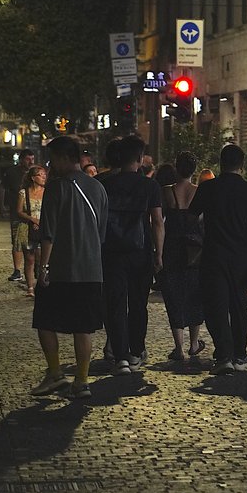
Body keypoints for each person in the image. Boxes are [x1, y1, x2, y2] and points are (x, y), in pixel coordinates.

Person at [32, 136, 108, 399]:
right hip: (91, 269)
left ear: (65, 158)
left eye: (53, 159)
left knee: (44, 320)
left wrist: (44, 268)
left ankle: (54, 373)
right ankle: (82, 382)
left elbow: (48, 232)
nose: (51, 165)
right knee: (83, 327)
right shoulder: (98, 188)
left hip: (62, 269)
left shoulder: (57, 187)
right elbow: (101, 232)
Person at [189, 144, 247, 375]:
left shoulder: (208, 189)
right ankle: (240, 353)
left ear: (221, 164)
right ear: (242, 165)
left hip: (213, 254)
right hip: (240, 256)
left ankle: (223, 355)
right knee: (238, 306)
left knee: (216, 305)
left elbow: (192, 218)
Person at [100, 136, 164, 374]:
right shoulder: (150, 186)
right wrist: (159, 253)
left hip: (112, 251)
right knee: (138, 303)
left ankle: (120, 357)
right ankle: (136, 352)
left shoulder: (106, 184)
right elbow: (157, 221)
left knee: (115, 303)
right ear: (139, 159)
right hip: (141, 250)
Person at [156, 155, 206, 361]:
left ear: (177, 169)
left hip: (173, 248)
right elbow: (204, 220)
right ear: (194, 170)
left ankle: (179, 347)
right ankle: (194, 343)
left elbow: (159, 223)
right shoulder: (199, 192)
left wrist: (158, 253)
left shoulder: (167, 192)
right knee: (195, 295)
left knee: (174, 295)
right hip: (195, 250)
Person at [15, 165, 48, 298]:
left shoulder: (47, 192)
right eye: (41, 175)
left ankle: (41, 282)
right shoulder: (24, 193)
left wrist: (41, 223)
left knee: (42, 258)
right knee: (29, 258)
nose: (44, 177)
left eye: (44, 174)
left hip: (43, 229)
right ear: (33, 178)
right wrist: (32, 220)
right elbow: (19, 211)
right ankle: (30, 287)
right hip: (27, 228)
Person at [2, 149, 35, 281]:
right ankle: (17, 270)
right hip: (17, 210)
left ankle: (36, 268)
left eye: (32, 159)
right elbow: (4, 188)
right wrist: (3, 205)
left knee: (34, 240)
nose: (30, 162)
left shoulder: (36, 173)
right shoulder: (12, 172)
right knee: (17, 240)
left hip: (33, 211)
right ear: (21, 159)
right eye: (28, 159)